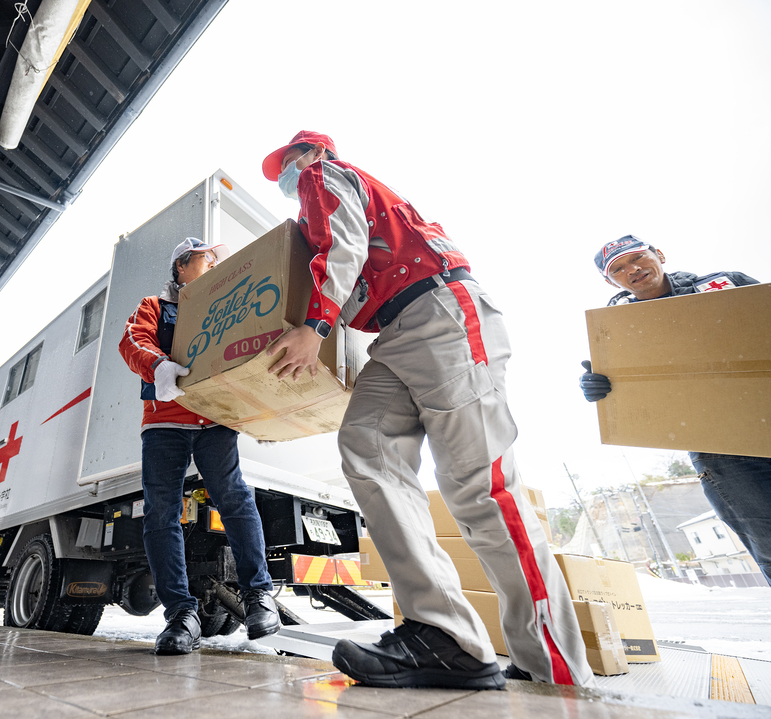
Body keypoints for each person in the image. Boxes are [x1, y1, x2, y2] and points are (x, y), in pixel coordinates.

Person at [261, 131, 592, 689]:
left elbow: (344, 250)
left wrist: (314, 327)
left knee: (479, 489)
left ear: (315, 154)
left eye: (290, 165)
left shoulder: (326, 176)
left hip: (441, 314)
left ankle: (550, 665)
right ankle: (444, 634)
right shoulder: (326, 208)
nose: (288, 177)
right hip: (399, 333)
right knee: (365, 446)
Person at [118, 237, 281, 654]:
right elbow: (132, 340)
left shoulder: (223, 302)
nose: (211, 264)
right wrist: (159, 366)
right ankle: (180, 615)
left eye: (213, 259)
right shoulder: (154, 306)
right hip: (164, 421)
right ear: (181, 268)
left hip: (215, 417)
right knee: (161, 512)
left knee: (235, 498)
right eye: (204, 259)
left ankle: (259, 596)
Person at [579, 235, 769, 582]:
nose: (633, 270)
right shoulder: (617, 328)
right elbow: (637, 389)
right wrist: (601, 389)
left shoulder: (725, 285)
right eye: (618, 269)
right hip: (726, 454)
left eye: (638, 258)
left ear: (659, 255)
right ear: (610, 281)